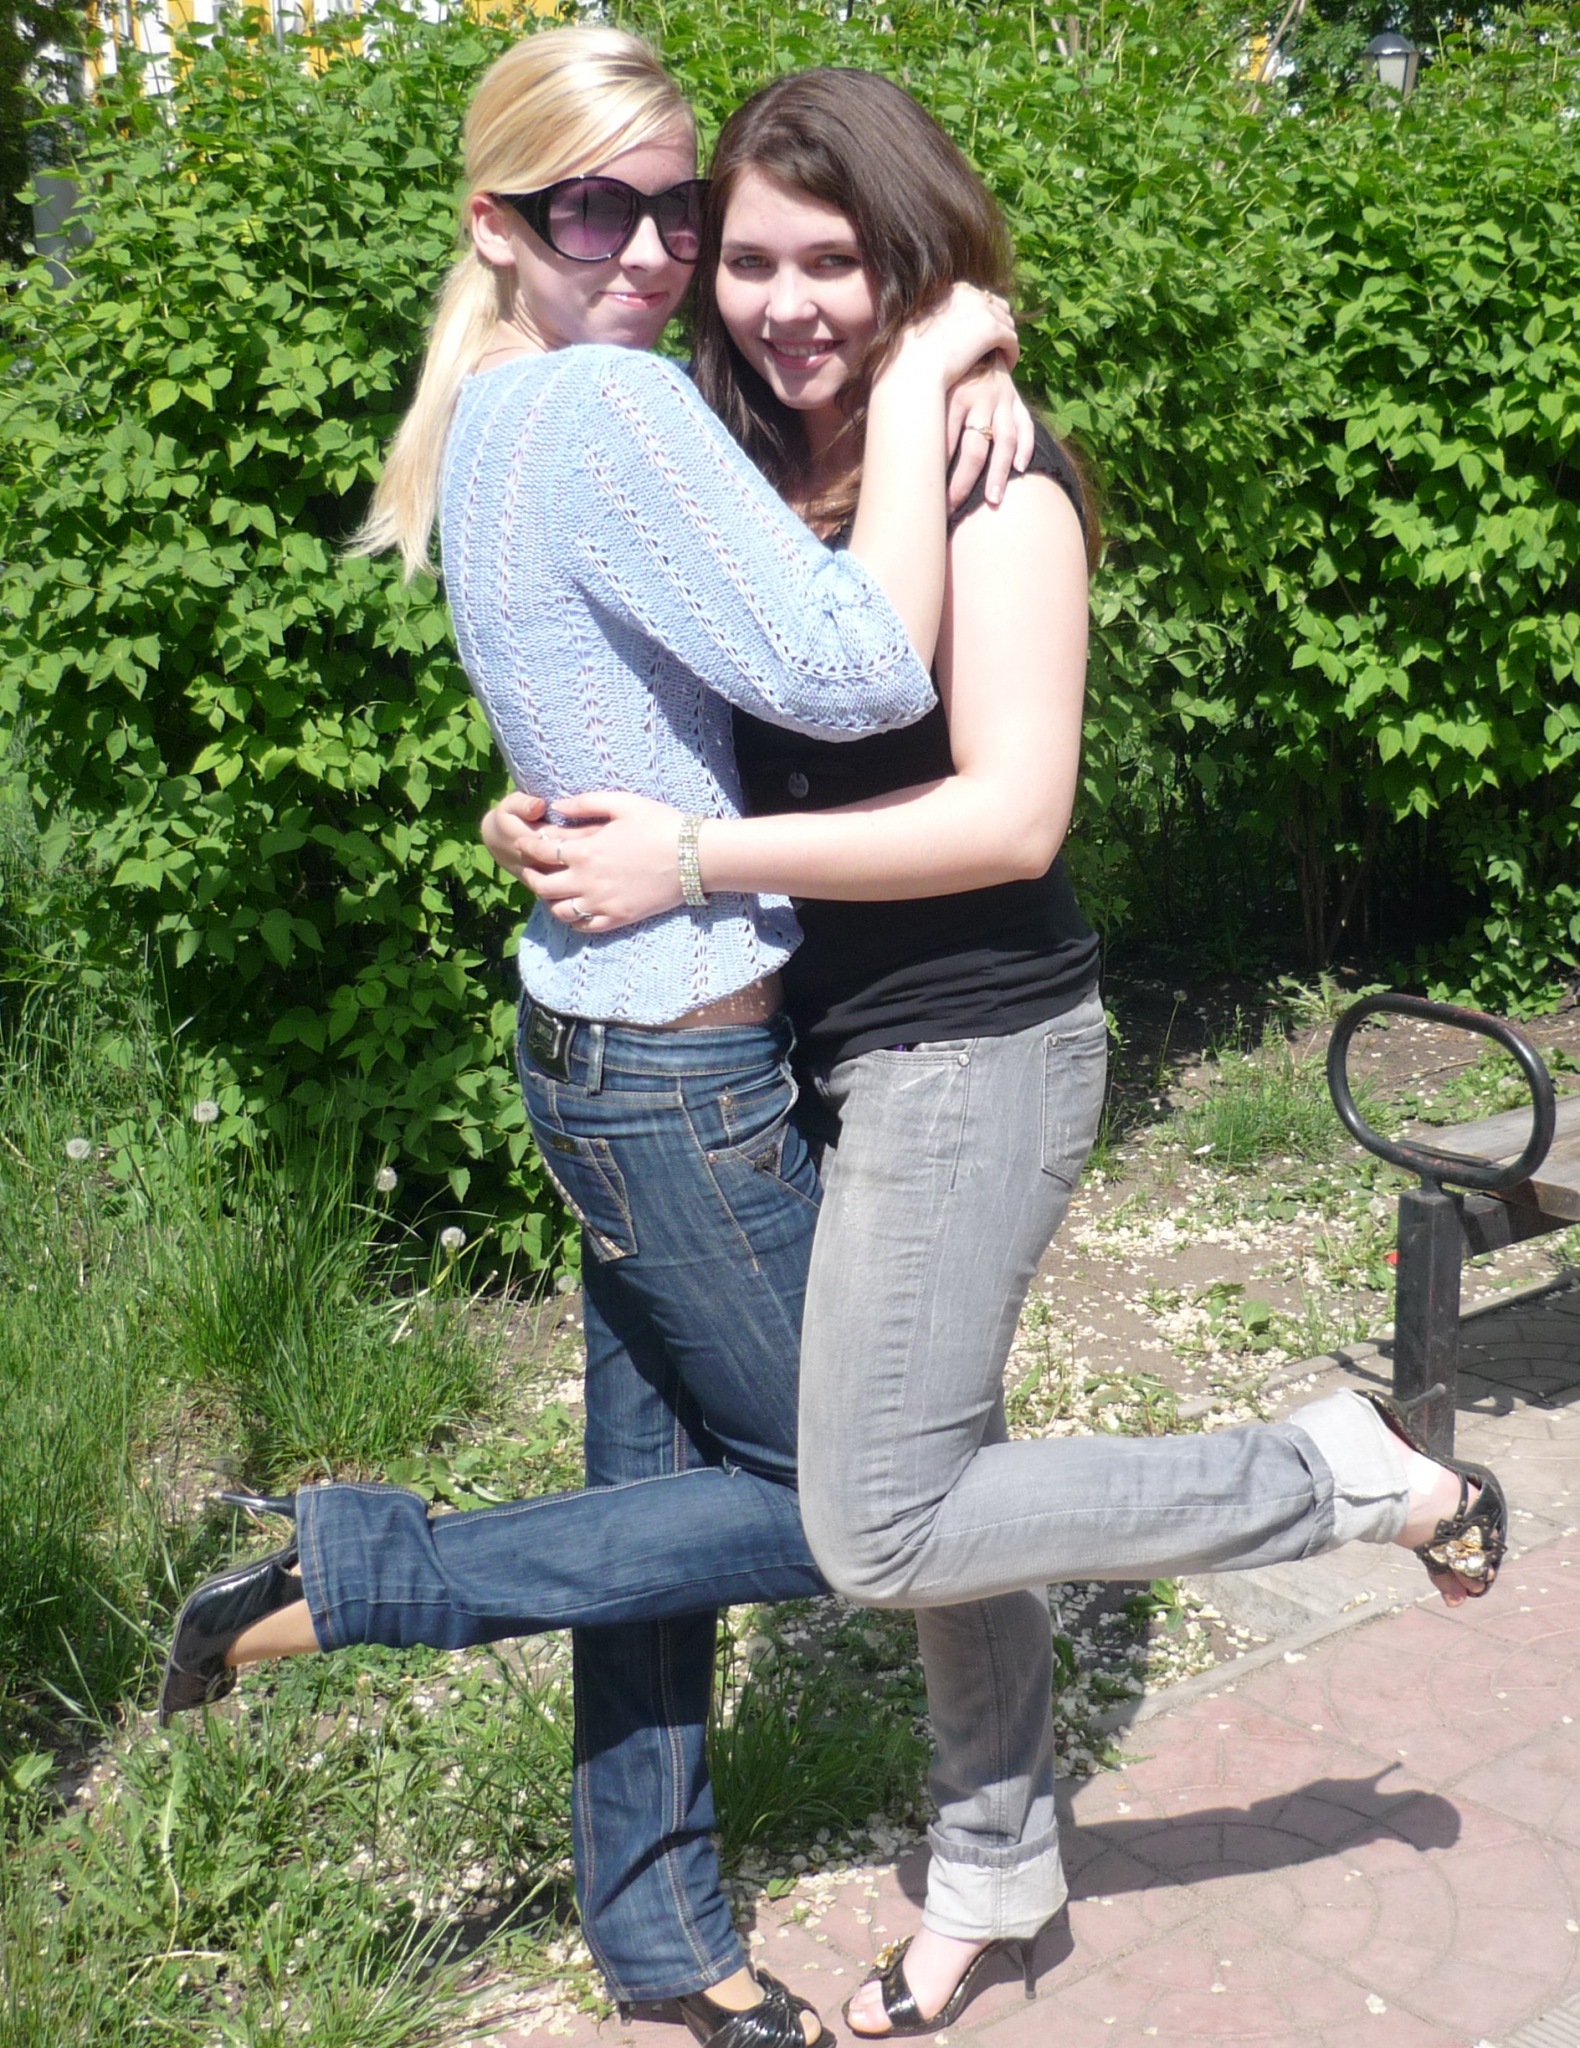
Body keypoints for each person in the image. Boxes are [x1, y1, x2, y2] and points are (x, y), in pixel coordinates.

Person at [480, 67, 1510, 2040]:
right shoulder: (720, 456)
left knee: (889, 1512)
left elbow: (1009, 817)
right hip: (780, 1049)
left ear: (912, 262)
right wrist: (547, 815)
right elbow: (639, 707)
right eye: (746, 260)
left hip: (973, 1047)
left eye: (834, 262)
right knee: (941, 1483)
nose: (783, 303)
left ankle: (1335, 1471)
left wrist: (688, 857)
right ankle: (994, 1875)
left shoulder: (995, 487)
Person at [157, 28, 1029, 2048]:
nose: (645, 249)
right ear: (500, 220)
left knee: (657, 1515)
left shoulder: (495, 407)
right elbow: (858, 670)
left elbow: (628, 692)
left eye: (673, 208)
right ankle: (348, 1581)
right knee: (859, 1502)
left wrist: (943, 395)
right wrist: (926, 383)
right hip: (681, 1074)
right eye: (590, 208)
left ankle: (656, 1931)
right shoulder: (609, 403)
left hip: (597, 1042)